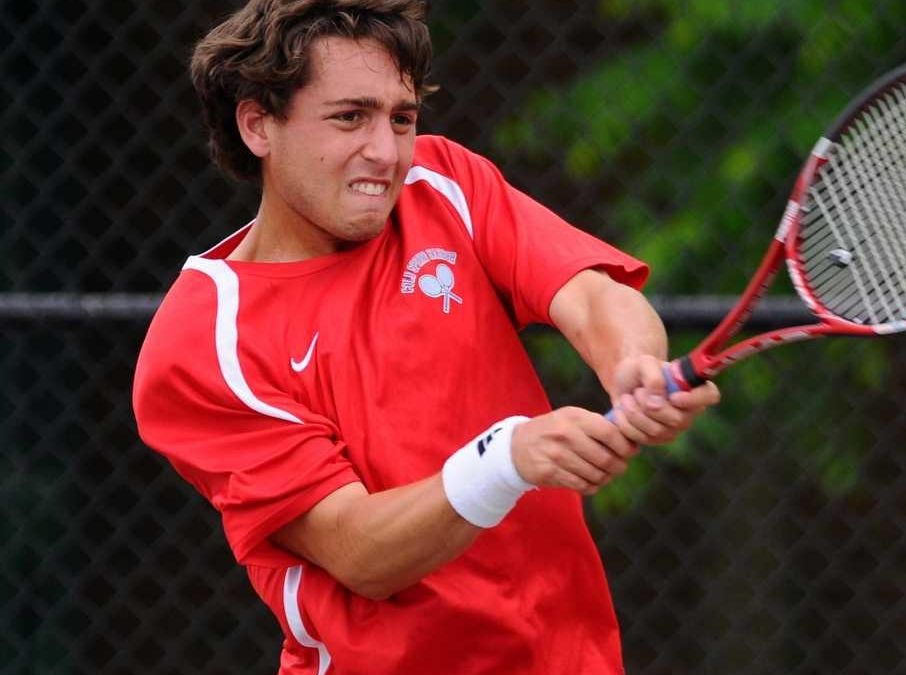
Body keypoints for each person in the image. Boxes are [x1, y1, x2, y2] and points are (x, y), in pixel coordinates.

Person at [131, 1, 720, 673]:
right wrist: (508, 458)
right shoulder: (200, 344)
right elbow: (359, 551)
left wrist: (633, 367)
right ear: (258, 124)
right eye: (350, 116)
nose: (385, 151)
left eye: (401, 118)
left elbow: (592, 294)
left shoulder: (442, 183)